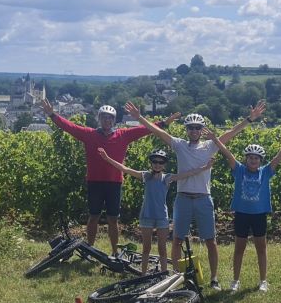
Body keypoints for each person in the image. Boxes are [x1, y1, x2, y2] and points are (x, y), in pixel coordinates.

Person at [124, 100, 267, 290]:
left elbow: (231, 133)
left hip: (203, 198)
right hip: (183, 197)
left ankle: (214, 279)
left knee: (210, 241)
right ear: (187, 130)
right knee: (177, 239)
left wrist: (250, 119)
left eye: (197, 128)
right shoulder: (180, 145)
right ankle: (175, 278)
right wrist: (139, 118)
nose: (193, 131)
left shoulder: (210, 146)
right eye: (190, 128)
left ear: (201, 130)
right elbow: (159, 132)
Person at [40, 99, 178, 253]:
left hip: (114, 183)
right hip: (94, 182)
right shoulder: (89, 134)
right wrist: (52, 114)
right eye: (104, 117)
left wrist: (164, 123)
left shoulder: (123, 135)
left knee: (113, 219)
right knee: (93, 217)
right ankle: (90, 250)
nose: (107, 120)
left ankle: (114, 252)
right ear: (99, 119)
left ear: (114, 120)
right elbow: (69, 127)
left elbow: (144, 129)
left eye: (110, 118)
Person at [208, 124, 281, 293]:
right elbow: (228, 154)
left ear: (260, 160)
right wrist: (215, 140)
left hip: (259, 215)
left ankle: (263, 280)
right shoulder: (239, 170)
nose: (253, 161)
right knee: (239, 248)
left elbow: (280, 156)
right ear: (246, 159)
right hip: (242, 214)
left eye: (256, 158)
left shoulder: (266, 171)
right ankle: (235, 280)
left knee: (261, 248)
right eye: (250, 158)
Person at [97, 148, 214, 273]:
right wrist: (107, 158)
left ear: (164, 164)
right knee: (146, 248)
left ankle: (163, 275)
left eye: (161, 162)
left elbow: (188, 173)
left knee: (162, 249)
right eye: (155, 162)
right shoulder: (146, 176)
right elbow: (125, 169)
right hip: (146, 216)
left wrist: (205, 167)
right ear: (151, 163)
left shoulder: (167, 178)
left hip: (161, 217)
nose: (157, 164)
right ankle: (143, 275)